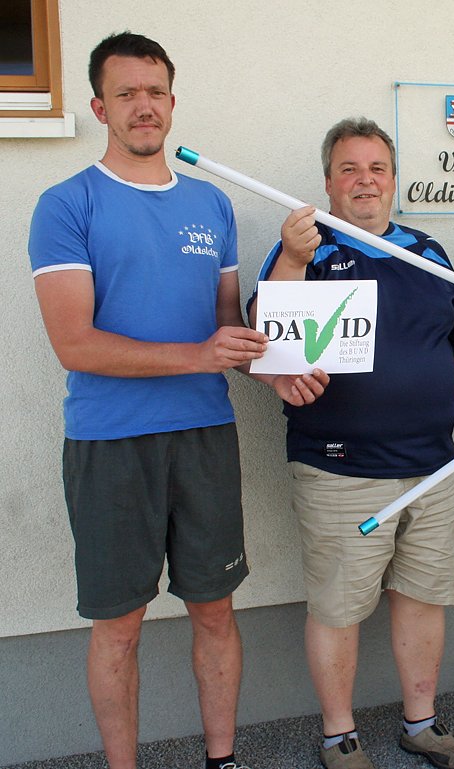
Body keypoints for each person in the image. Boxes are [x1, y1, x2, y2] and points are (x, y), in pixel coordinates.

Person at [28, 32, 326, 769]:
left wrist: (274, 373)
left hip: (203, 435)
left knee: (215, 611)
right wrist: (200, 356)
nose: (144, 106)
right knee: (119, 627)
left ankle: (222, 760)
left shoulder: (209, 204)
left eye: (155, 92)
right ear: (100, 107)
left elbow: (227, 331)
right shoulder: (66, 205)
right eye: (126, 93)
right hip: (110, 443)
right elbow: (75, 344)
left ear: (172, 101)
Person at [248, 117, 454, 769]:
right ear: (328, 182)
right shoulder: (306, 250)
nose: (365, 181)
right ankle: (340, 736)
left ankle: (423, 724)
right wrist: (292, 258)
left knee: (423, 597)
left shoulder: (428, 252)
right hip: (341, 469)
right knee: (338, 607)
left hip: (431, 467)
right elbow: (264, 338)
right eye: (349, 169)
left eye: (377, 168)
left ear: (393, 179)